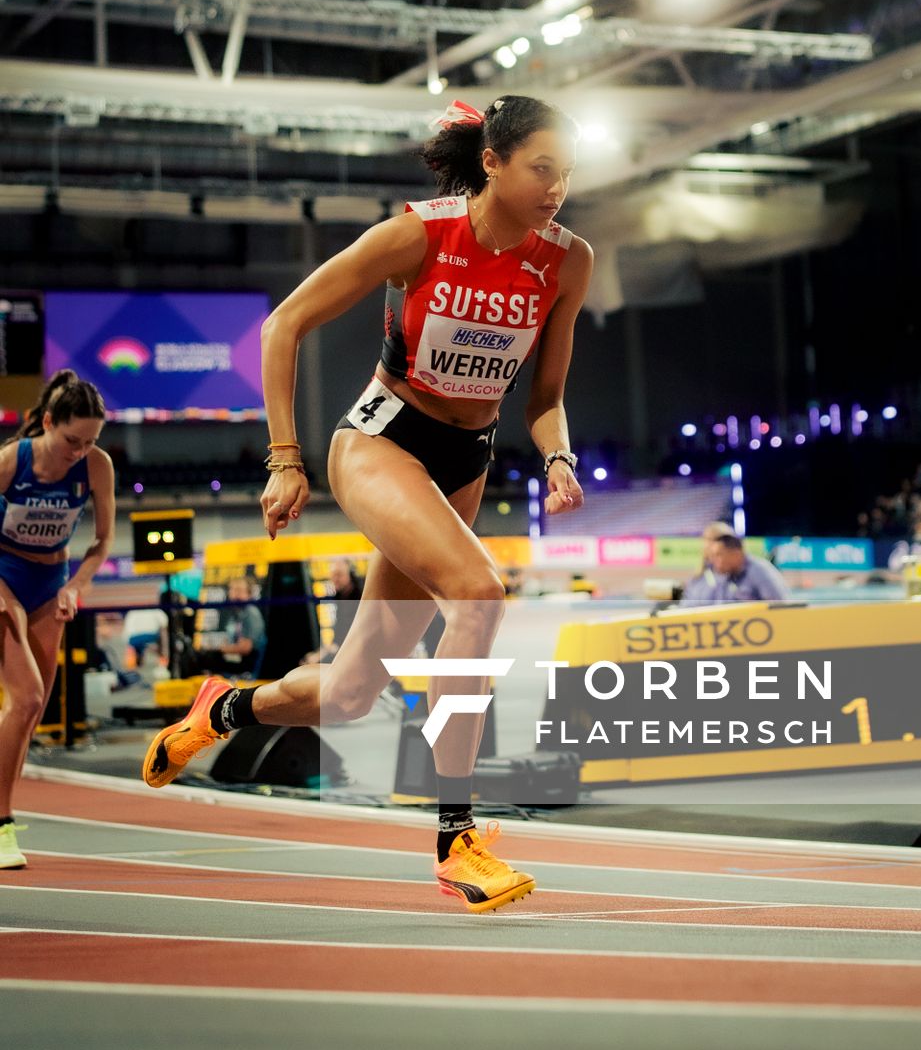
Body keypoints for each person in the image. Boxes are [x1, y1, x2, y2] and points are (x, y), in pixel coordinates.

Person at [141, 95, 591, 913]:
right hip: (382, 439)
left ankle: (225, 705)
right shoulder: (418, 234)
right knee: (480, 592)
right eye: (543, 170)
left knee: (350, 693)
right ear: (492, 162)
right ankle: (457, 837)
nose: (558, 189)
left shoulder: (568, 260)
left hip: (467, 459)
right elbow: (283, 326)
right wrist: (285, 460)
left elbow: (546, 395)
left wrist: (558, 452)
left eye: (567, 173)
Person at [0, 372, 114, 870]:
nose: (79, 451)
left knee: (31, 713)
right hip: (4, 576)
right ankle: (3, 825)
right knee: (23, 696)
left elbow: (102, 542)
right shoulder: (10, 462)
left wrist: (75, 587)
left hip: (51, 585)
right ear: (47, 422)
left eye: (90, 441)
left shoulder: (96, 466)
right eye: (72, 440)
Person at [683, 532, 789, 606]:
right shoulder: (726, 574)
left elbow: (780, 606)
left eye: (719, 555)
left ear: (736, 554)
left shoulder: (760, 571)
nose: (714, 561)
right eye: (713, 556)